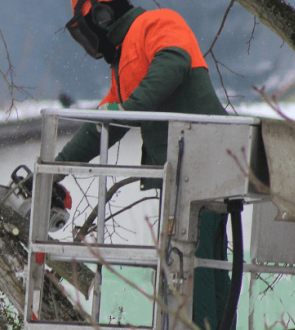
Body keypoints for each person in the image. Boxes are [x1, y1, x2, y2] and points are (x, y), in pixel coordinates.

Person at [57, 1, 233, 329]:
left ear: (101, 14)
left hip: (206, 164)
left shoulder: (158, 22)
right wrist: (57, 166)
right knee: (194, 269)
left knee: (197, 273)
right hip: (182, 177)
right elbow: (102, 127)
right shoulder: (123, 64)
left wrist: (128, 110)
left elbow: (174, 64)